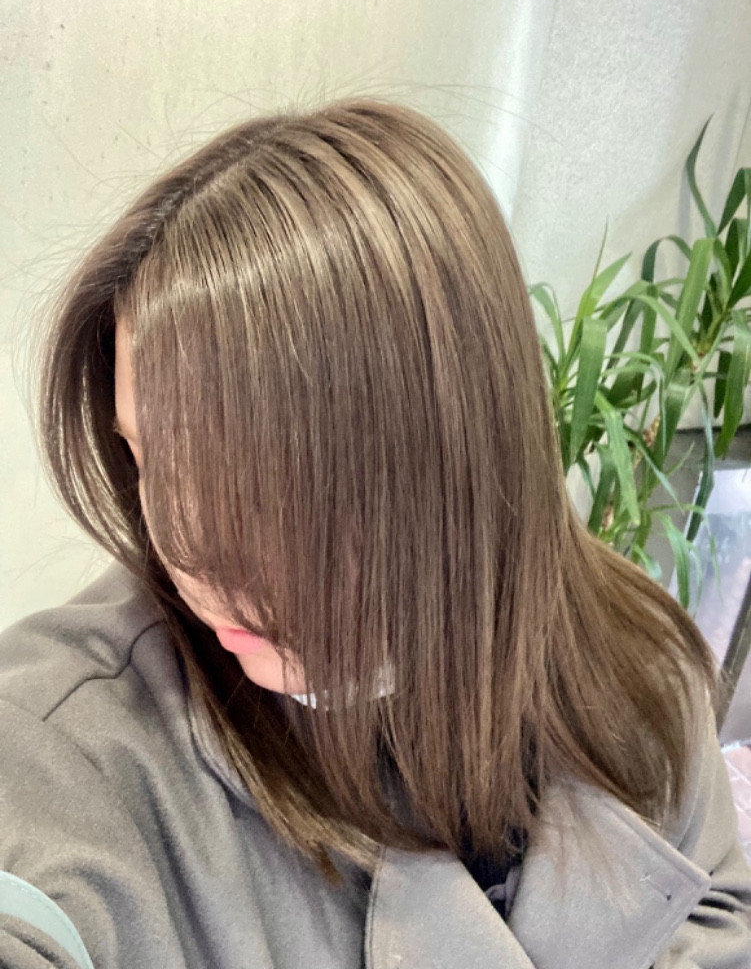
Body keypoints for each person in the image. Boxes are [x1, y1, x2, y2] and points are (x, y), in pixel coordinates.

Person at [1, 98, 749, 969]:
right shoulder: (70, 748)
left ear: (456, 451)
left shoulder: (631, 657)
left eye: (268, 473)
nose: (190, 550)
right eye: (154, 461)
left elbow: (716, 908)